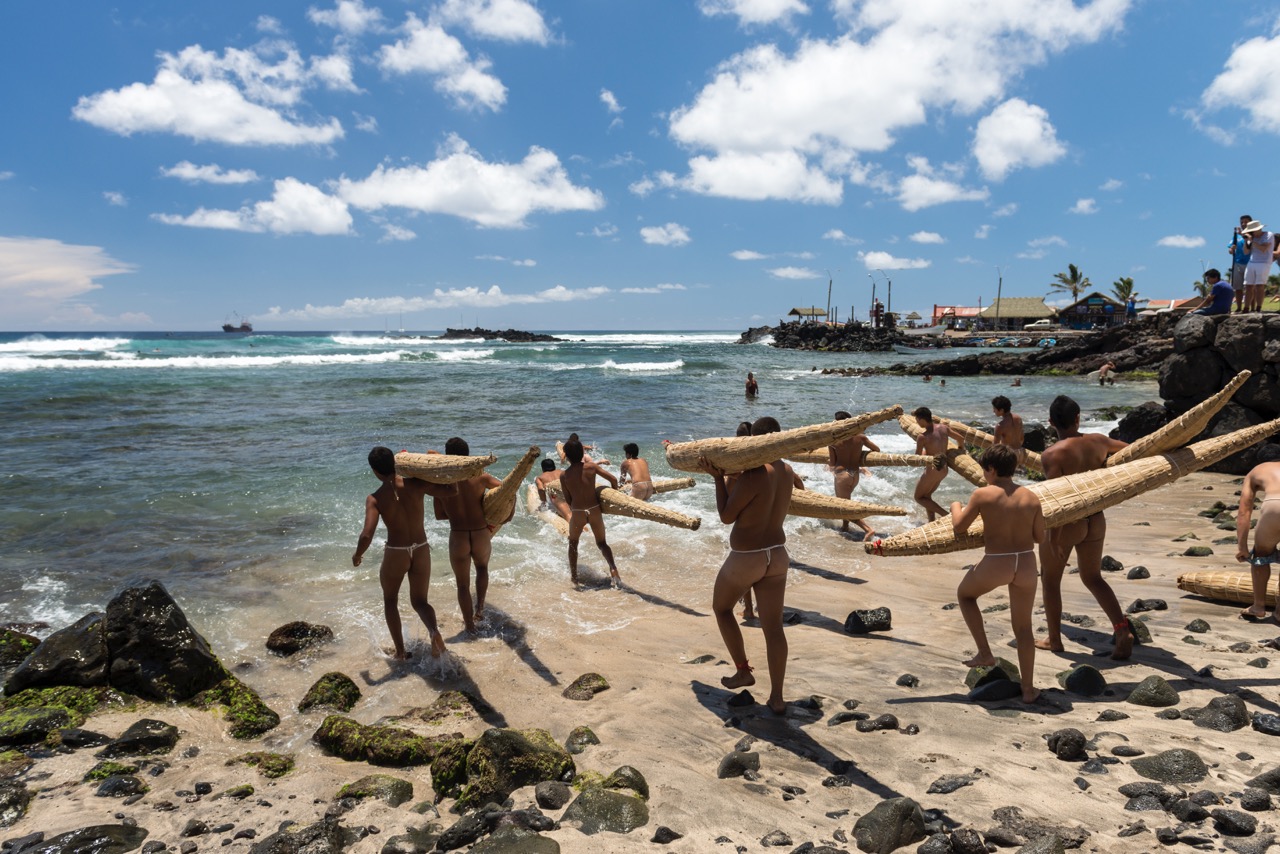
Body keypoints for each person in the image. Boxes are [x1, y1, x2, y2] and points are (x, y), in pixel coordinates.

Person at [700, 416, 795, 716]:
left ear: (757, 440)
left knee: (722, 608)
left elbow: (727, 516)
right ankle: (777, 698)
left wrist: (718, 478)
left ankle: (743, 670)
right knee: (774, 628)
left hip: (747, 556)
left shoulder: (754, 474)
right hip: (777, 554)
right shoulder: (788, 470)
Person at [1036, 395, 1135, 659]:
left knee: (1050, 580)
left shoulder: (1052, 455)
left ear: (1050, 422)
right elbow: (1131, 451)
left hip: (1068, 524)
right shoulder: (1099, 441)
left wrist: (1054, 539)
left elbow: (1056, 500)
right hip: (1096, 518)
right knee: (1093, 578)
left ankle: (1054, 640)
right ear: (1078, 418)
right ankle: (1122, 631)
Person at [950, 444, 1046, 703]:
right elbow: (1039, 537)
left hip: (997, 562)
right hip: (1026, 562)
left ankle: (984, 653)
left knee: (965, 595)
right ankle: (1028, 689)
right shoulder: (1031, 496)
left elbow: (959, 527)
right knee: (1024, 629)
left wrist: (955, 505)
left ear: (991, 469)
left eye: (984, 470)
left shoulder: (983, 495)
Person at [352, 446, 457, 660]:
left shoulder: (375, 498)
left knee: (390, 601)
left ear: (375, 471)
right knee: (420, 602)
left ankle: (400, 652)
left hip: (396, 552)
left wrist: (358, 555)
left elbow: (366, 535)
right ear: (395, 463)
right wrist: (449, 471)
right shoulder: (415, 484)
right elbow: (451, 490)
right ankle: (434, 632)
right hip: (421, 548)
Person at [433, 437, 506, 634]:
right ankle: (480, 609)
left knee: (462, 585)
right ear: (468, 454)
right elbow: (508, 492)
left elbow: (439, 515)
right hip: (481, 532)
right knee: (482, 568)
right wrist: (507, 515)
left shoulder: (441, 482)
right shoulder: (482, 478)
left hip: (458, 535)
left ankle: (469, 626)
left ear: (448, 455)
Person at [560, 439, 621, 587]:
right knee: (602, 543)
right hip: (594, 510)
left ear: (566, 456)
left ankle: (574, 577)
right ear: (582, 453)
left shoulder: (564, 475)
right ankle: (613, 568)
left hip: (578, 512)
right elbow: (612, 479)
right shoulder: (591, 467)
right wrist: (615, 492)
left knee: (573, 543)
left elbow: (568, 499)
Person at [1235, 461, 1280, 623]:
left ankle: (1258, 606)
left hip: (1274, 506)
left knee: (1260, 555)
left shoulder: (1258, 470)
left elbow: (1244, 511)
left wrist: (1242, 547)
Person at [829, 410, 880, 538]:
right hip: (855, 475)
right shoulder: (860, 436)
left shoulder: (834, 440)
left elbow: (833, 462)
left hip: (842, 475)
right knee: (847, 502)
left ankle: (867, 529)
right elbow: (876, 449)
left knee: (844, 506)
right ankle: (845, 526)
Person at [912, 406, 950, 521]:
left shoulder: (922, 437)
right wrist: (960, 449)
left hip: (932, 470)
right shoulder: (944, 428)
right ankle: (931, 521)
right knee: (927, 496)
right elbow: (961, 438)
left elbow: (917, 458)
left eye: (917, 420)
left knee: (918, 497)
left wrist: (924, 452)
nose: (916, 422)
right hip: (944, 469)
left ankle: (946, 515)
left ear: (922, 419)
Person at [1241, 221, 1277, 313]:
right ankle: (1246, 308)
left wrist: (1252, 241)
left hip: (1264, 262)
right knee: (1248, 286)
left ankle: (1259, 307)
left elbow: (1263, 249)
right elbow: (1245, 252)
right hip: (1252, 262)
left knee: (1259, 285)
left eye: (1253, 231)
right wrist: (1246, 241)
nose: (1252, 233)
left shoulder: (1268, 235)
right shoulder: (1251, 238)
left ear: (1259, 229)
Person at [991, 396, 1026, 468]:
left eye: (994, 408)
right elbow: (1022, 438)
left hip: (1009, 455)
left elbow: (995, 446)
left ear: (1001, 410)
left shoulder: (1000, 426)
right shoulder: (1018, 419)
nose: (993, 411)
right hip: (1021, 452)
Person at [1230, 214, 1252, 313]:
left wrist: (1243, 234)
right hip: (1237, 263)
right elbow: (1230, 248)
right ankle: (1239, 307)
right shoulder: (1236, 236)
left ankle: (1251, 307)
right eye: (1242, 222)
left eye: (1246, 222)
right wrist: (1231, 249)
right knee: (1238, 288)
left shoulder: (1253, 234)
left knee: (1250, 287)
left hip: (1250, 262)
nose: (1243, 224)